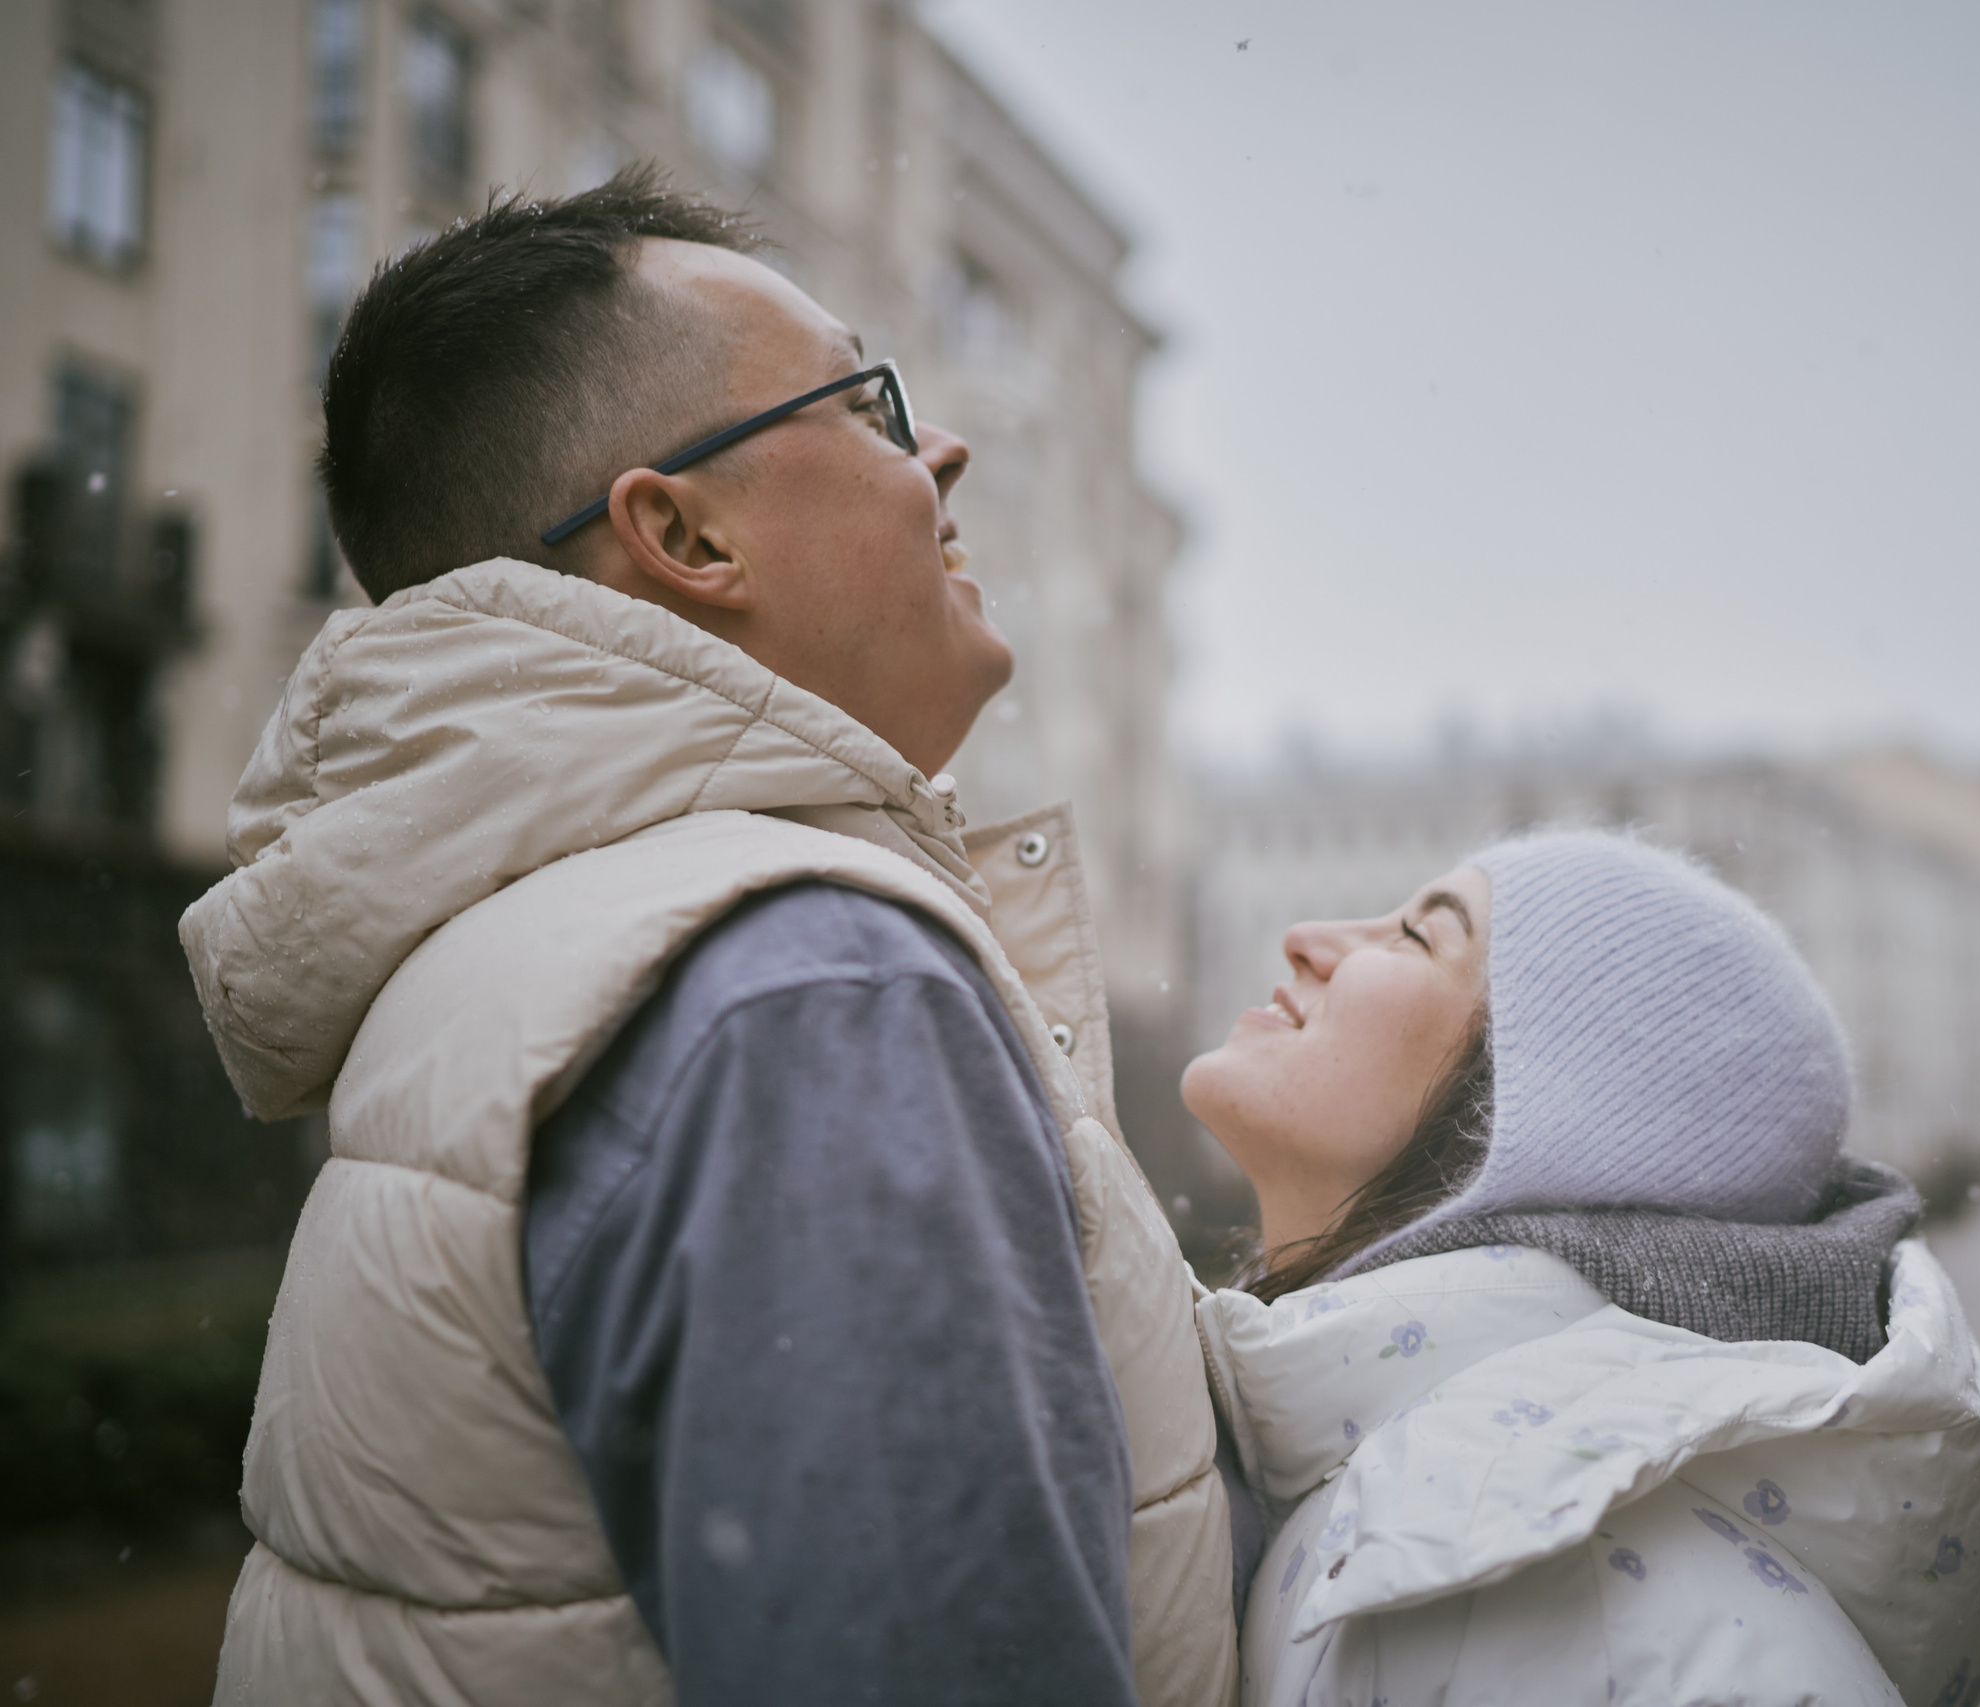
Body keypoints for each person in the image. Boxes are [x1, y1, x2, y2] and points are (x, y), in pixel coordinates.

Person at [178, 168, 1238, 1706]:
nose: (942, 449)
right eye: (868, 403)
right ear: (683, 533)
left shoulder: (509, 945)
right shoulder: (806, 984)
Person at [1184, 829, 1980, 1707]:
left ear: (1532, 1124)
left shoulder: (1616, 1642)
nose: (1307, 937)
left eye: (1417, 937)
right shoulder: (1389, 1508)